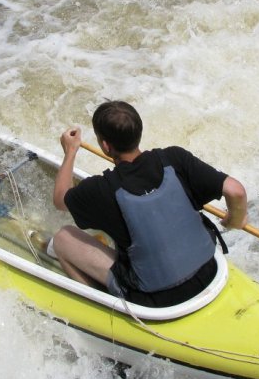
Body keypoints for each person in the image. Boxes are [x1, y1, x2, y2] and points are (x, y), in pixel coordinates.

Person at [48, 100, 248, 308]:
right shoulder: (175, 159)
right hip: (208, 272)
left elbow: (60, 199)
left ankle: (105, 304)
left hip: (155, 300)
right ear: (138, 132)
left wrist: (70, 151)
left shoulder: (102, 189)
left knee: (63, 238)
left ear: (105, 146)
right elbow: (236, 191)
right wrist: (235, 219)